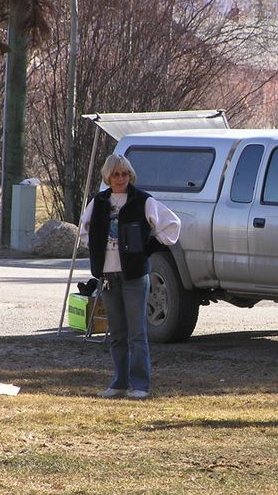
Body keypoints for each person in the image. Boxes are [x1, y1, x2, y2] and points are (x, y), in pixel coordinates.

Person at [79, 154, 181, 399]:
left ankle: (140, 385)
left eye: (125, 174)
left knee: (137, 333)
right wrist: (96, 253)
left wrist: (146, 248)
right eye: (116, 174)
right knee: (117, 333)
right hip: (107, 276)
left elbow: (172, 225)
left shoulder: (143, 200)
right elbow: (84, 230)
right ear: (107, 176)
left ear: (130, 175)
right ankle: (119, 382)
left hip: (134, 275)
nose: (121, 179)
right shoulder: (99, 202)